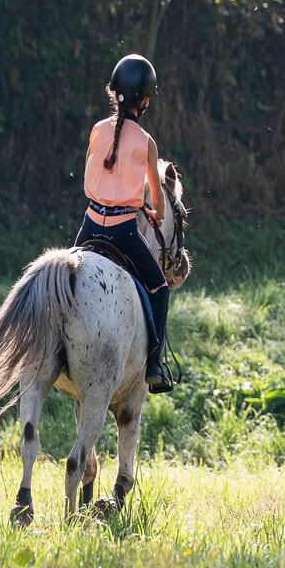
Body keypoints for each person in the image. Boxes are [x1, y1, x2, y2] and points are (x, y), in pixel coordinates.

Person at [77, 54, 173, 393]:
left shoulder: (97, 130)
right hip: (123, 231)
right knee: (159, 288)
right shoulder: (146, 141)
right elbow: (157, 197)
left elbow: (102, 172)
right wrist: (155, 213)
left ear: (113, 91)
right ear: (145, 100)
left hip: (90, 224)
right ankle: (154, 365)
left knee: (66, 277)